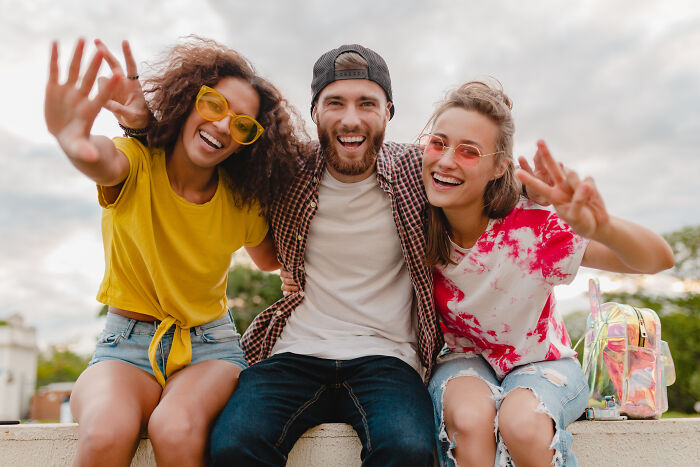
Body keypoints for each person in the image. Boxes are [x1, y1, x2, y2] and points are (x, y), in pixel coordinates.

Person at [44, 37, 305, 466]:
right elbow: (103, 160)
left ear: (249, 143)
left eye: (243, 125)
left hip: (211, 348)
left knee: (175, 428)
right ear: (187, 100)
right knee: (106, 433)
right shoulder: (136, 160)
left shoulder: (241, 202)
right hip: (124, 345)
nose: (223, 126)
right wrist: (75, 145)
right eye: (214, 105)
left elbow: (271, 260)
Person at [420, 81, 675, 466]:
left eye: (469, 151)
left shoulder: (532, 228)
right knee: (470, 420)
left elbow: (658, 259)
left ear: (499, 167)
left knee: (522, 423)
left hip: (543, 361)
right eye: (438, 143)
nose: (447, 160)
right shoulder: (413, 212)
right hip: (463, 358)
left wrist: (600, 227)